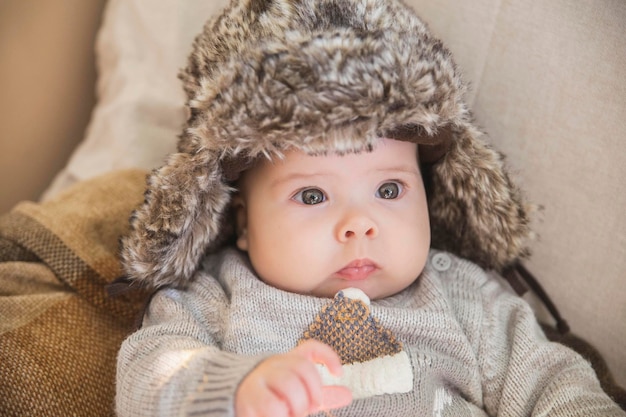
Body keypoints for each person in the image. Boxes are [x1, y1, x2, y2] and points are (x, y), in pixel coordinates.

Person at [116, 0, 625, 416]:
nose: (359, 224)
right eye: (312, 196)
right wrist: (236, 387)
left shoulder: (465, 297)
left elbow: (554, 383)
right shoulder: (214, 296)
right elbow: (150, 374)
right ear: (243, 222)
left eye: (388, 190)